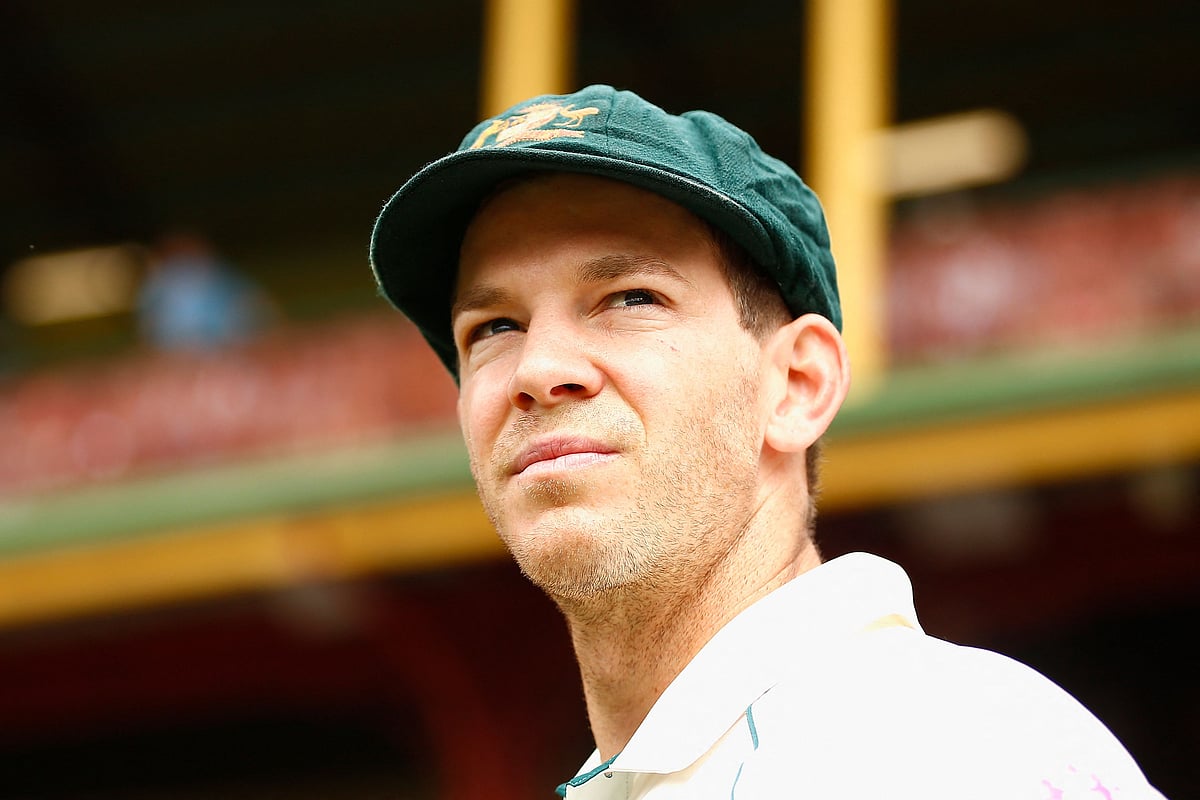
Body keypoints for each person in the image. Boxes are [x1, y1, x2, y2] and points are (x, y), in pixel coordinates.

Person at [369, 85, 1166, 799]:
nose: (538, 369)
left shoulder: (948, 753)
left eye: (629, 297)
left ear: (796, 386)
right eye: (494, 327)